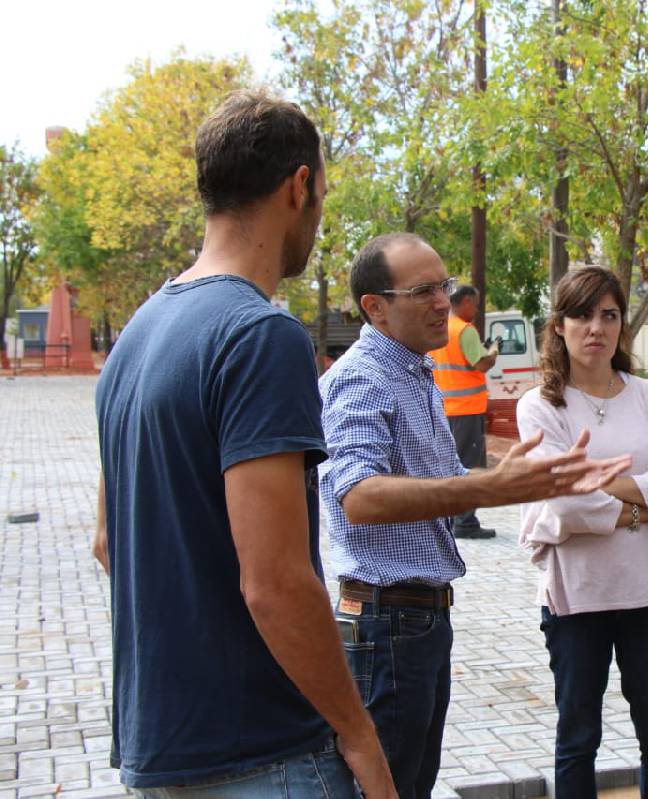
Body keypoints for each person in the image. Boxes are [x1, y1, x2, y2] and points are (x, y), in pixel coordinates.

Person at [94, 91, 397, 798]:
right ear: (299, 188)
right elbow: (276, 581)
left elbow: (108, 542)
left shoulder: (135, 338)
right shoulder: (260, 336)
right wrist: (360, 734)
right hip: (265, 756)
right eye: (321, 195)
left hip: (162, 750)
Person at [319, 236, 629, 798]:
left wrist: (492, 481)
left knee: (412, 782)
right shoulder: (361, 379)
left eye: (444, 285)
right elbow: (358, 497)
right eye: (423, 291)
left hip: (417, 622)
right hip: (388, 623)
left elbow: (437, 486)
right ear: (375, 306)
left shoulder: (414, 370)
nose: (444, 301)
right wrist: (486, 487)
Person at [516, 266, 648, 798]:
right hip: (578, 596)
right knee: (578, 738)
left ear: (622, 326)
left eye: (608, 315)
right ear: (559, 326)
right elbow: (560, 500)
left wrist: (599, 482)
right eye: (581, 314)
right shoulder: (541, 406)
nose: (595, 327)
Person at [430, 284, 500, 538]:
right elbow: (480, 364)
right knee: (468, 465)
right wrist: (493, 352)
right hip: (467, 409)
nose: (478, 309)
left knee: (449, 463)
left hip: (444, 408)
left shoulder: (441, 328)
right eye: (477, 303)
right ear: (466, 302)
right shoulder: (464, 330)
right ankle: (465, 521)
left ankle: (449, 517)